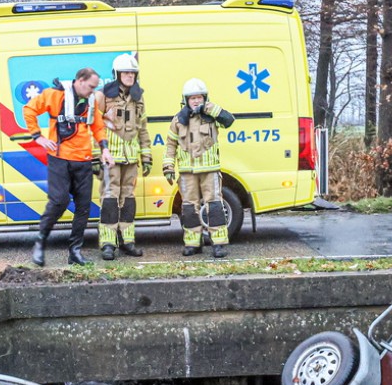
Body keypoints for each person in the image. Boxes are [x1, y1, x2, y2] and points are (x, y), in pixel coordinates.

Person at [22, 68, 111, 266]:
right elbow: (29, 109)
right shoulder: (55, 95)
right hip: (59, 158)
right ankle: (40, 242)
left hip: (83, 160)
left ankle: (75, 252)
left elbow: (97, 126)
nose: (92, 91)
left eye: (95, 88)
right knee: (59, 201)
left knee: (84, 206)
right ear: (80, 81)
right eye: (90, 87)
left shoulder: (91, 101)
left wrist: (104, 148)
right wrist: (38, 136)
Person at [163, 78, 235, 257]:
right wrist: (168, 166)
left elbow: (229, 121)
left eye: (199, 97)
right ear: (185, 100)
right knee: (189, 208)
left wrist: (214, 109)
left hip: (210, 170)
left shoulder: (212, 116)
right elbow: (171, 144)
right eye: (192, 98)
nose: (196, 101)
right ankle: (193, 243)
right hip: (187, 172)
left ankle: (218, 244)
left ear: (205, 98)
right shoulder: (178, 120)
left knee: (215, 206)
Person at [98, 53, 151, 259]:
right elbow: (94, 127)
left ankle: (127, 242)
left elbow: (143, 128)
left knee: (128, 201)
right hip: (110, 159)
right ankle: (108, 244)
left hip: (131, 159)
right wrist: (97, 155)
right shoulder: (104, 96)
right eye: (126, 72)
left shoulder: (138, 97)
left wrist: (146, 156)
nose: (130, 76)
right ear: (117, 74)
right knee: (110, 200)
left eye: (133, 73)